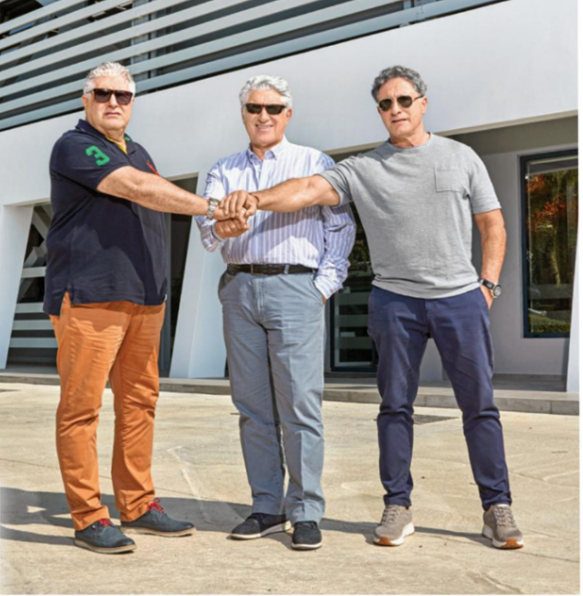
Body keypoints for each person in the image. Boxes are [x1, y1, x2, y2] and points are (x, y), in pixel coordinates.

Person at [218, 66, 523, 550]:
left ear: (422, 103)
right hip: (395, 302)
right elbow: (306, 191)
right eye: (385, 103)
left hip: (458, 298)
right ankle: (397, 505)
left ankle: (496, 507)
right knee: (395, 408)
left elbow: (493, 224)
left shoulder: (460, 156)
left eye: (404, 100)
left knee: (480, 407)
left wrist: (487, 285)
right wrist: (253, 199)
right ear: (378, 111)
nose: (395, 109)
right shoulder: (363, 168)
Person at [45, 61, 235, 554]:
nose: (113, 102)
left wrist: (218, 224)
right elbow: (137, 189)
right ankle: (89, 517)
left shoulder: (139, 151)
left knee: (139, 404)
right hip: (90, 294)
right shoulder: (75, 145)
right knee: (81, 408)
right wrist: (213, 206)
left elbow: (157, 199)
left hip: (144, 298)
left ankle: (136, 503)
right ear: (86, 99)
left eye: (123, 96)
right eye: (103, 93)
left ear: (132, 103)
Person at [197, 75, 355, 550]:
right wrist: (224, 228)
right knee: (252, 408)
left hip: (295, 286)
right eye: (253, 108)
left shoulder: (314, 163)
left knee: (300, 406)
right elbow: (207, 233)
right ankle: (267, 506)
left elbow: (340, 229)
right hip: (239, 288)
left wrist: (320, 289)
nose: (262, 116)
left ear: (288, 114)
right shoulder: (223, 170)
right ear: (243, 114)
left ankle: (305, 510)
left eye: (272, 108)